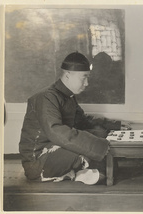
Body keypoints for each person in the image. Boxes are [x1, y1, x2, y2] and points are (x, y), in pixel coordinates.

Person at [19, 52, 129, 185]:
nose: (87, 83)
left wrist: (114, 125)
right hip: (39, 159)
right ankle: (75, 173)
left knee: (102, 142)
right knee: (97, 158)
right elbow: (56, 132)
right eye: (84, 78)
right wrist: (98, 145)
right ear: (67, 75)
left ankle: (73, 174)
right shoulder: (46, 97)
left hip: (56, 147)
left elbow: (83, 120)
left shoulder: (67, 96)